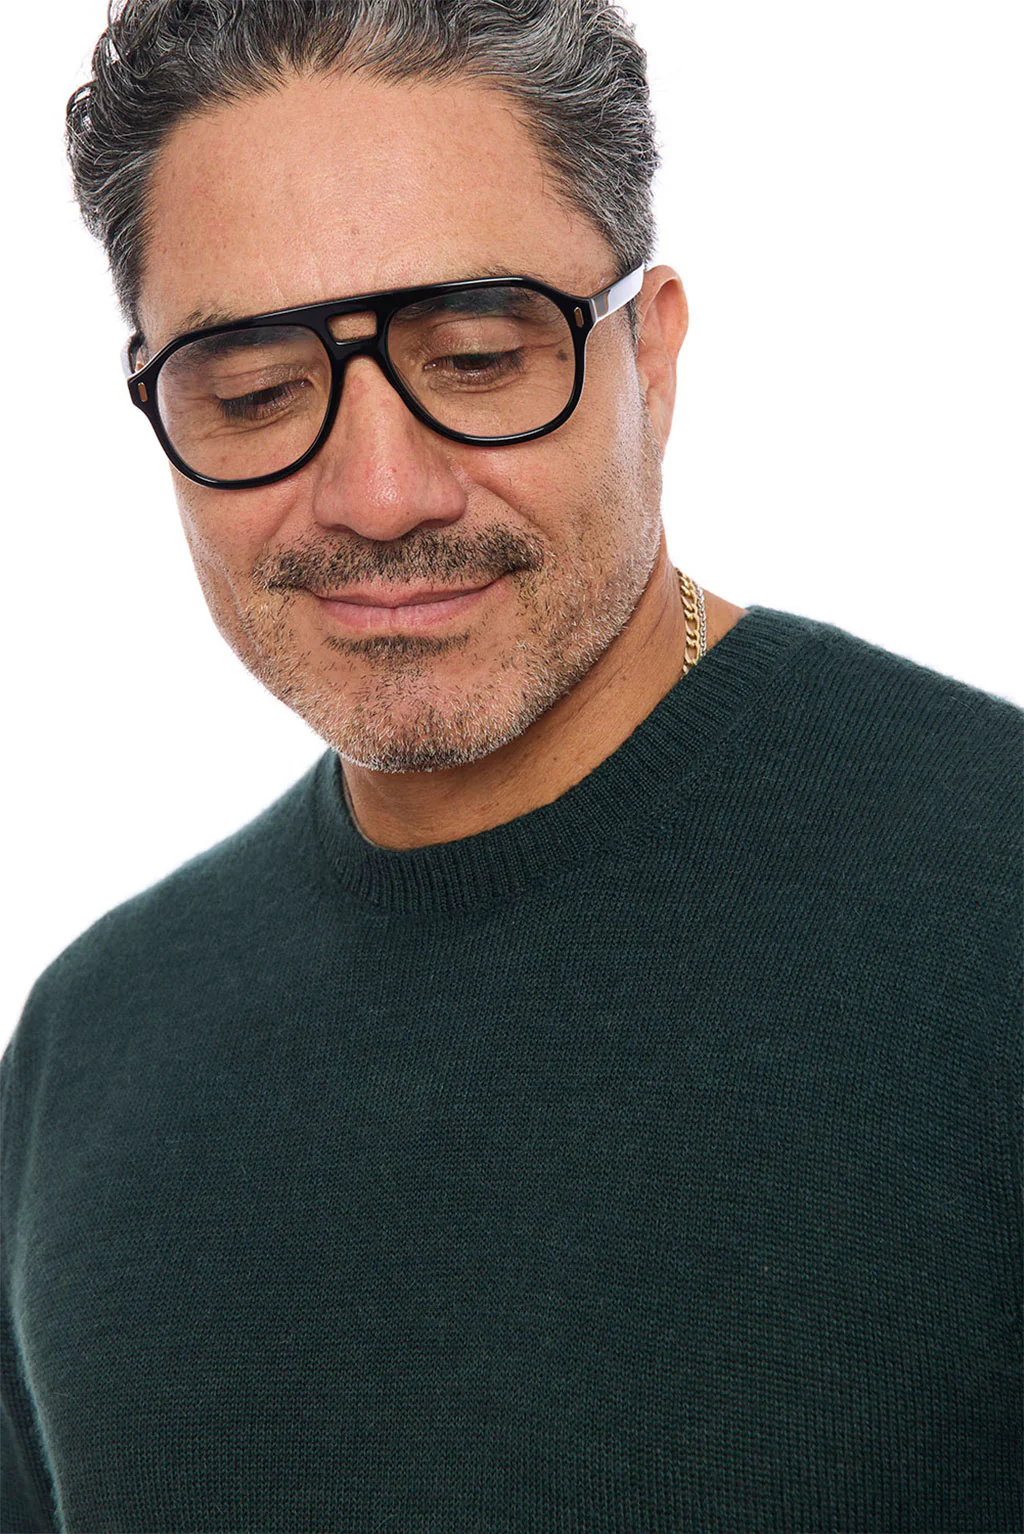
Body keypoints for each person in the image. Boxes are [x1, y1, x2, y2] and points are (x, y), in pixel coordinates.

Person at [1, 0, 1019, 1529]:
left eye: (476, 359)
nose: (378, 492)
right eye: (256, 390)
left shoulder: (994, 903)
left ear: (651, 359)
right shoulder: (88, 1046)